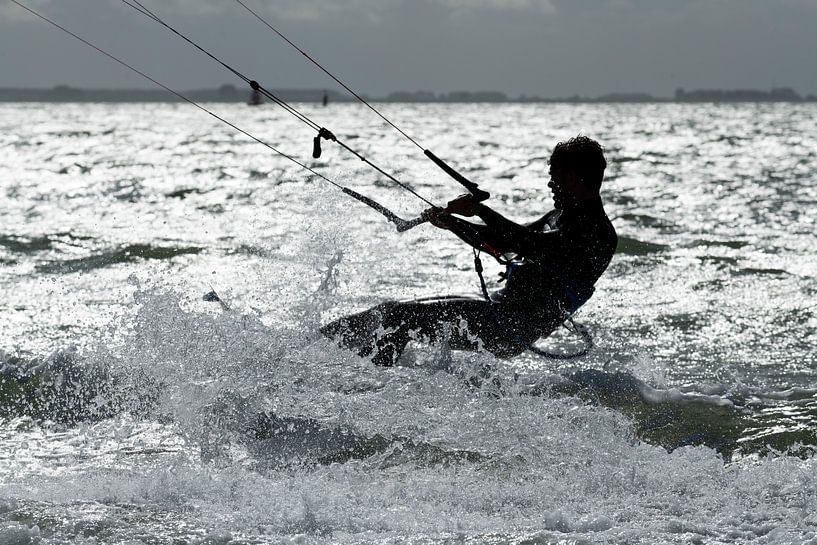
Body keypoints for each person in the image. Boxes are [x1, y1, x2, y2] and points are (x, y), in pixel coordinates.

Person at [321, 135, 617, 366]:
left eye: (556, 176)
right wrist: (452, 223)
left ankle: (359, 387)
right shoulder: (560, 216)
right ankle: (313, 346)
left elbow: (526, 244)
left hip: (510, 328)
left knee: (401, 319)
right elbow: (503, 241)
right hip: (500, 310)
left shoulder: (597, 233)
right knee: (386, 312)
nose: (551, 183)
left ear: (575, 177)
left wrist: (478, 210)